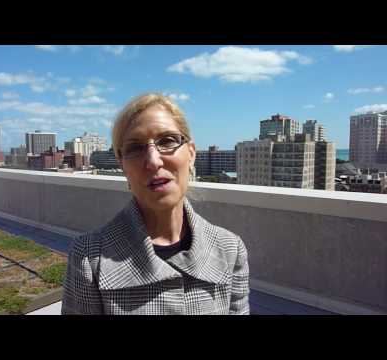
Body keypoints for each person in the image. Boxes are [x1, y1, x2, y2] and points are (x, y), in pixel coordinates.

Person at [61, 93, 249, 315]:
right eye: (135, 148)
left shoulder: (229, 249)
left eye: (168, 141)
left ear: (191, 154)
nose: (153, 161)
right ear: (122, 165)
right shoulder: (88, 258)